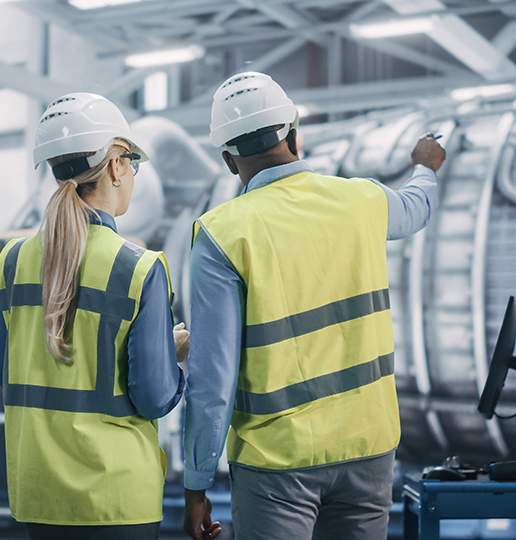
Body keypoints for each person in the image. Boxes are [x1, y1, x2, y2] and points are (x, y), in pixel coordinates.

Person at [182, 72, 446, 540]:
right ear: (294, 135)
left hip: (278, 461)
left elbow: (212, 377)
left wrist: (197, 483)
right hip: (368, 447)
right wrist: (425, 165)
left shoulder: (222, 233)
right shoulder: (361, 198)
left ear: (227, 160)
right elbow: (416, 207)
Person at [0, 92, 187, 540]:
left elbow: (8, 372)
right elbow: (155, 396)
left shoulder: (11, 261)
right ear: (116, 166)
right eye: (131, 162)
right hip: (116, 499)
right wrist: (170, 354)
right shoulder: (139, 267)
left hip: (37, 493)